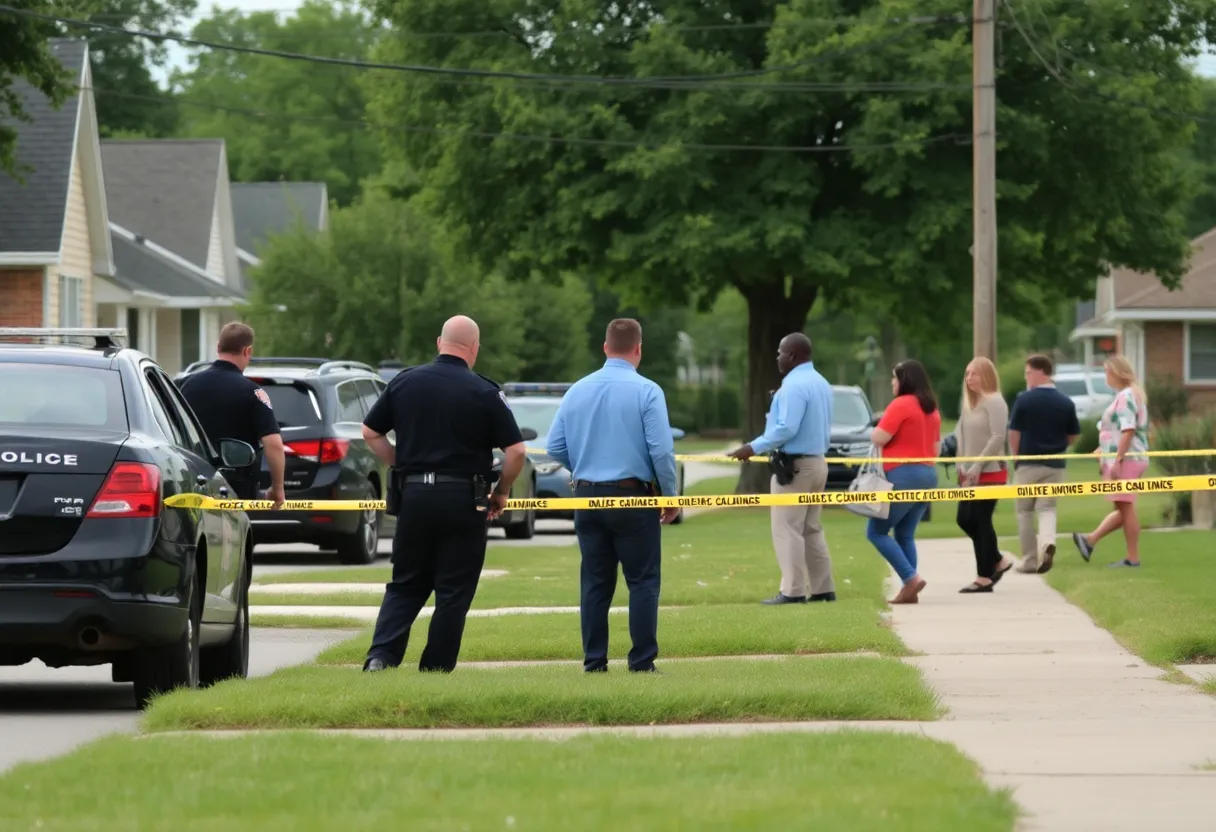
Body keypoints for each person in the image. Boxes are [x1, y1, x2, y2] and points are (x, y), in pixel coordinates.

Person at [361, 315, 527, 673]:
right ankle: (435, 668)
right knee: (454, 589)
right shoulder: (484, 391)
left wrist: (403, 463)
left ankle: (381, 657)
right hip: (463, 499)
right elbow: (516, 452)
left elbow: (370, 432)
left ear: (440, 342)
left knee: (405, 582)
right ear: (475, 347)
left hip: (415, 496)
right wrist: (502, 492)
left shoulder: (405, 382)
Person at [545, 318, 679, 674]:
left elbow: (554, 446)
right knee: (643, 581)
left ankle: (594, 661)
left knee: (594, 583)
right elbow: (661, 451)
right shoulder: (648, 391)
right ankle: (641, 662)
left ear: (605, 347)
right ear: (638, 349)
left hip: (587, 497)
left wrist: (583, 468)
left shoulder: (577, 390)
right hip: (633, 498)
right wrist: (669, 495)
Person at [727, 332, 835, 605]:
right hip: (817, 462)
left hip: (795, 467)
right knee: (812, 528)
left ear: (792, 355)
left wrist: (752, 447)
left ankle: (793, 591)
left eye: (780, 353)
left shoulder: (793, 387)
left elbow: (786, 428)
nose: (777, 358)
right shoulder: (821, 382)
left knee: (788, 528)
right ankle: (823, 589)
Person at [178, 322, 285, 508]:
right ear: (247, 351)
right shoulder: (253, 392)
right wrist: (278, 488)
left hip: (191, 487)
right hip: (237, 493)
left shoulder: (184, 385)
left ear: (218, 347)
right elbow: (274, 444)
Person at [867, 359, 942, 605]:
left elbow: (878, 437)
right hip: (927, 475)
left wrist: (877, 428)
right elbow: (937, 449)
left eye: (895, 377)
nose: (892, 382)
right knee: (905, 534)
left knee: (876, 531)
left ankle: (910, 579)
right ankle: (909, 590)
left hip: (901, 475)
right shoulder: (931, 409)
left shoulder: (900, 404)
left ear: (905, 380)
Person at [1071, 355, 1151, 568]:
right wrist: (1103, 450)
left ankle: (1132, 558)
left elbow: (1128, 430)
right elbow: (1117, 431)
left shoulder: (1126, 396)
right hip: (1128, 457)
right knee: (1122, 507)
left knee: (1126, 507)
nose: (1105, 375)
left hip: (1127, 460)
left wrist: (1117, 460)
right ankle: (1090, 540)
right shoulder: (1128, 395)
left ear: (1116, 373)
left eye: (1107, 371)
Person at [1007, 354, 1080, 575]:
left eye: (1028, 372)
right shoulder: (1065, 402)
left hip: (1028, 463)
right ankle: (1047, 543)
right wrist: (1059, 445)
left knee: (1025, 511)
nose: (1026, 377)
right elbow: (1073, 435)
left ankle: (1029, 560)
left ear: (1042, 372)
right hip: (1055, 465)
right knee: (1047, 508)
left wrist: (1016, 457)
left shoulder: (1024, 400)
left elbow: (1014, 432)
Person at [954, 357, 1014, 593]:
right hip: (968, 473)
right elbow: (960, 436)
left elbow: (998, 437)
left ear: (986, 376)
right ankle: (997, 559)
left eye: (974, 373)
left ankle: (984, 576)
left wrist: (978, 465)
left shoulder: (995, 401)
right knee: (964, 519)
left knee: (980, 519)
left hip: (990, 471)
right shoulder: (969, 404)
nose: (969, 378)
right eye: (967, 373)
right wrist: (961, 464)